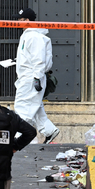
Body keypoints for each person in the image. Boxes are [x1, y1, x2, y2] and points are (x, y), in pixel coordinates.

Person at [12, 8, 60, 144]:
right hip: (29, 76)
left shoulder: (33, 36)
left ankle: (21, 140)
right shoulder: (30, 35)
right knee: (35, 106)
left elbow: (39, 59)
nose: (17, 22)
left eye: (20, 20)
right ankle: (49, 130)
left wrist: (37, 78)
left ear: (27, 21)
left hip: (30, 78)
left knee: (23, 108)